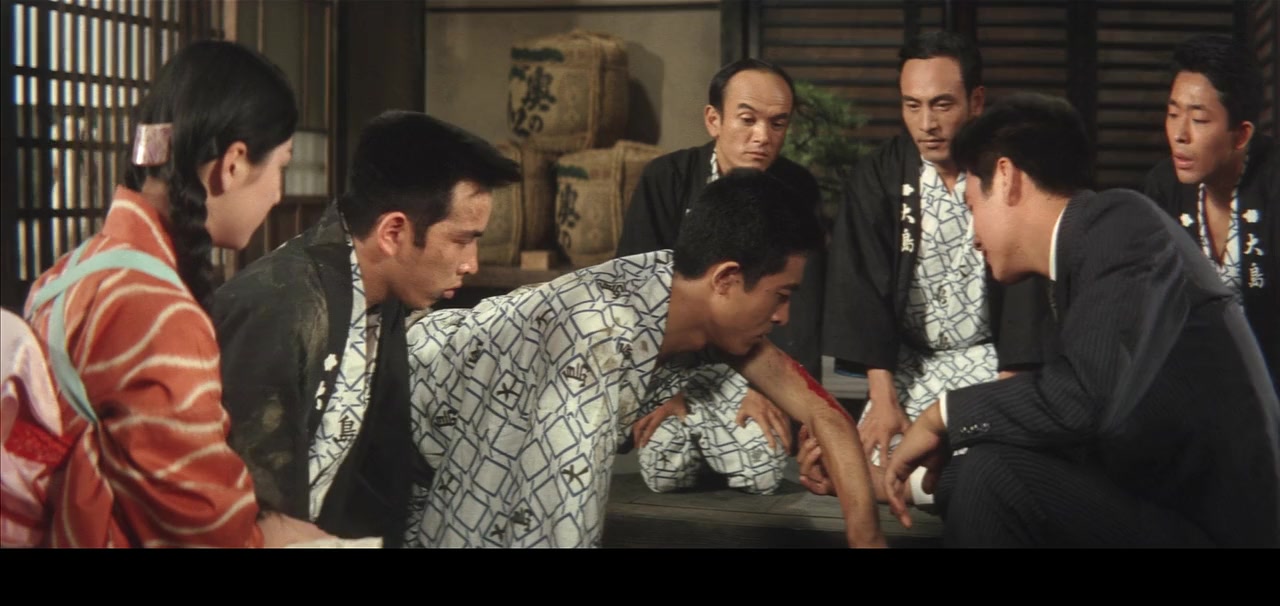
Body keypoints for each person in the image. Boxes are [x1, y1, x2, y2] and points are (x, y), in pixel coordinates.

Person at [404, 169, 883, 548]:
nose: (783, 316)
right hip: (400, 405)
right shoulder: (600, 341)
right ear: (726, 279)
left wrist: (867, 538)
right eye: (781, 295)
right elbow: (562, 528)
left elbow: (825, 414)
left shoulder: (694, 295)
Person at [884, 92, 1280, 547]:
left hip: (1219, 531)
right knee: (971, 470)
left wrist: (942, 414)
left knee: (991, 475)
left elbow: (1083, 398)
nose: (973, 237)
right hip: (1166, 504)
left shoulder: (1123, 224)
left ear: (1007, 178)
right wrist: (917, 472)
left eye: (973, 207)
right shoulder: (1087, 246)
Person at [20, 40, 323, 547]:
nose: (278, 193)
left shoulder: (63, 274)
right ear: (233, 163)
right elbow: (208, 530)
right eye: (282, 167)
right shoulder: (157, 311)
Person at [212, 111, 520, 547]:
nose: (471, 263)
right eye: (461, 240)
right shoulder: (280, 306)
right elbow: (244, 507)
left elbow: (378, 477)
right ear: (393, 232)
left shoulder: (382, 294)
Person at [820, 31, 1048, 500]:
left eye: (942, 105)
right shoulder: (878, 174)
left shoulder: (1010, 171)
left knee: (995, 462)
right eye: (912, 105)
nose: (926, 124)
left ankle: (923, 486)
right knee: (861, 458)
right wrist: (882, 398)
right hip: (907, 365)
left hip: (989, 359)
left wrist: (1008, 396)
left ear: (976, 101)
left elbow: (1028, 287)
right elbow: (862, 285)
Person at [615, 57, 819, 494]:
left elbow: (796, 303)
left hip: (751, 365)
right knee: (664, 470)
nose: (762, 136)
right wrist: (662, 390)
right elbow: (636, 290)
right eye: (747, 119)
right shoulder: (666, 179)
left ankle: (718, 445)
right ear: (714, 119)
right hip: (675, 365)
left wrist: (769, 388)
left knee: (762, 472)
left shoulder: (797, 188)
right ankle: (705, 446)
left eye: (777, 123)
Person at [1144, 34, 1278, 386]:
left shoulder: (1273, 183)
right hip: (1197, 381)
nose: (1179, 134)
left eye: (1199, 120)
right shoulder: (1164, 186)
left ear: (1241, 134)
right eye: (1173, 114)